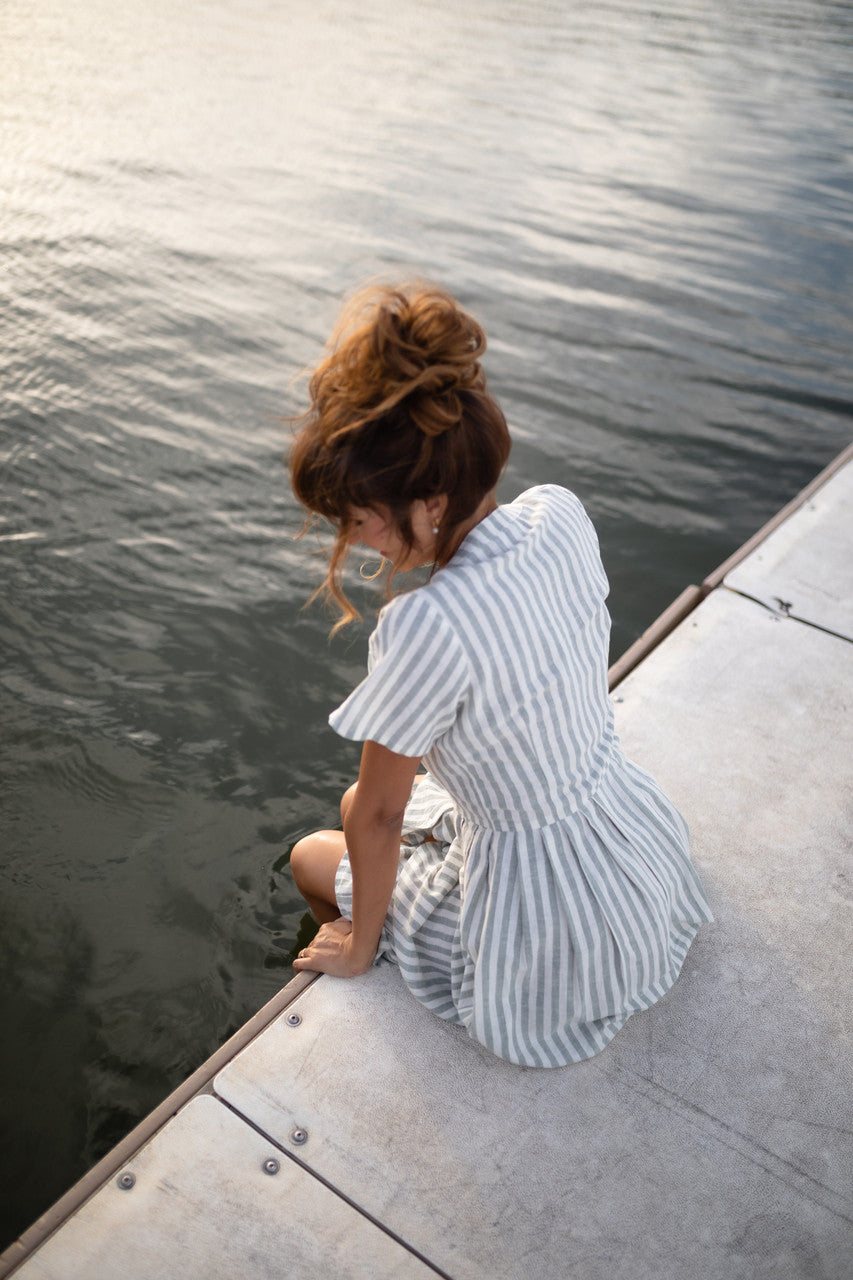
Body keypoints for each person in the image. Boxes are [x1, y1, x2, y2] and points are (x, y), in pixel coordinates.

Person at [288, 281, 712, 1068]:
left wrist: (358, 945)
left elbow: (378, 822)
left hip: (545, 920)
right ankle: (393, 921)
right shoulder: (557, 513)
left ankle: (366, 953)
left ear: (432, 497)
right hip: (628, 852)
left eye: (364, 516)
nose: (359, 536)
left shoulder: (423, 626)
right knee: (354, 801)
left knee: (314, 856)